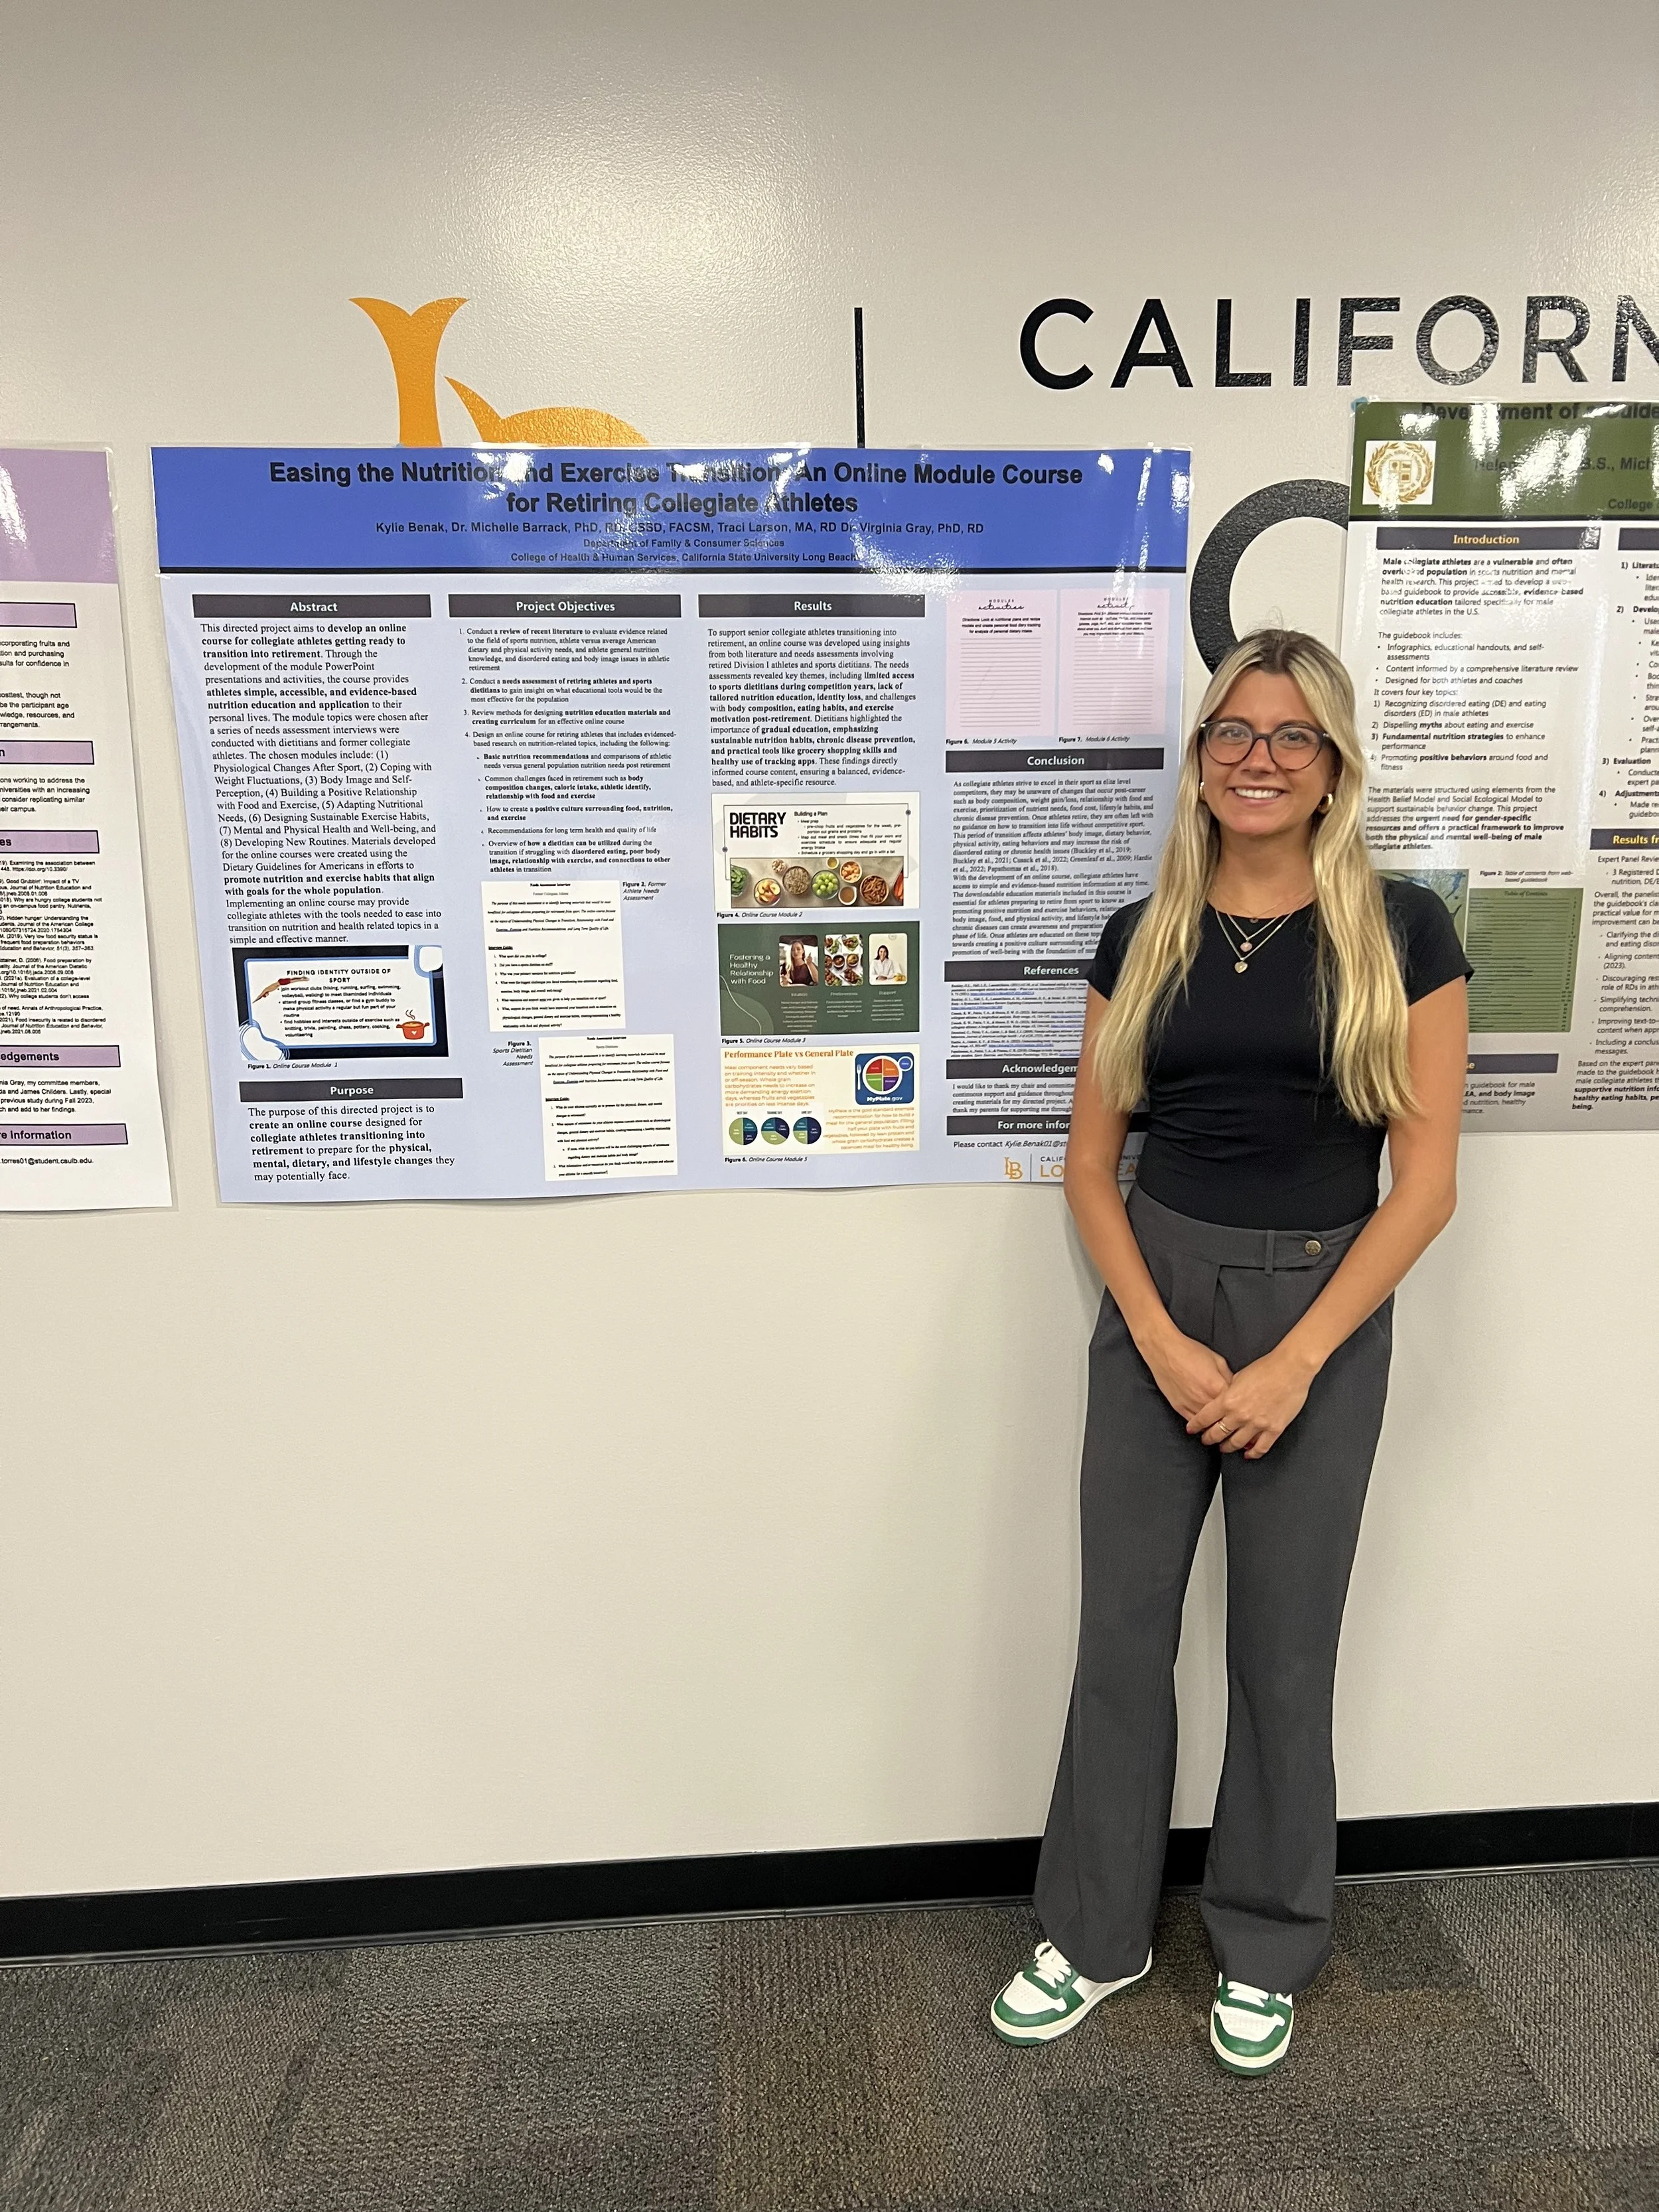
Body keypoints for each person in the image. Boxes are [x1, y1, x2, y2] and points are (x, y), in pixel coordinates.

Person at [992, 629, 1470, 2075]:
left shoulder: (1401, 930)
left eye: (1290, 737)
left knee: (1282, 1648)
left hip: (1320, 1308)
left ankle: (1263, 1937)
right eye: (1231, 733)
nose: (1256, 759)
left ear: (1331, 770)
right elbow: (1087, 1165)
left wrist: (1292, 1361)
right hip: (1153, 1292)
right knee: (1119, 1636)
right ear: (1199, 758)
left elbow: (1427, 1181)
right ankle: (1093, 1934)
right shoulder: (1139, 935)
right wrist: (1155, 1333)